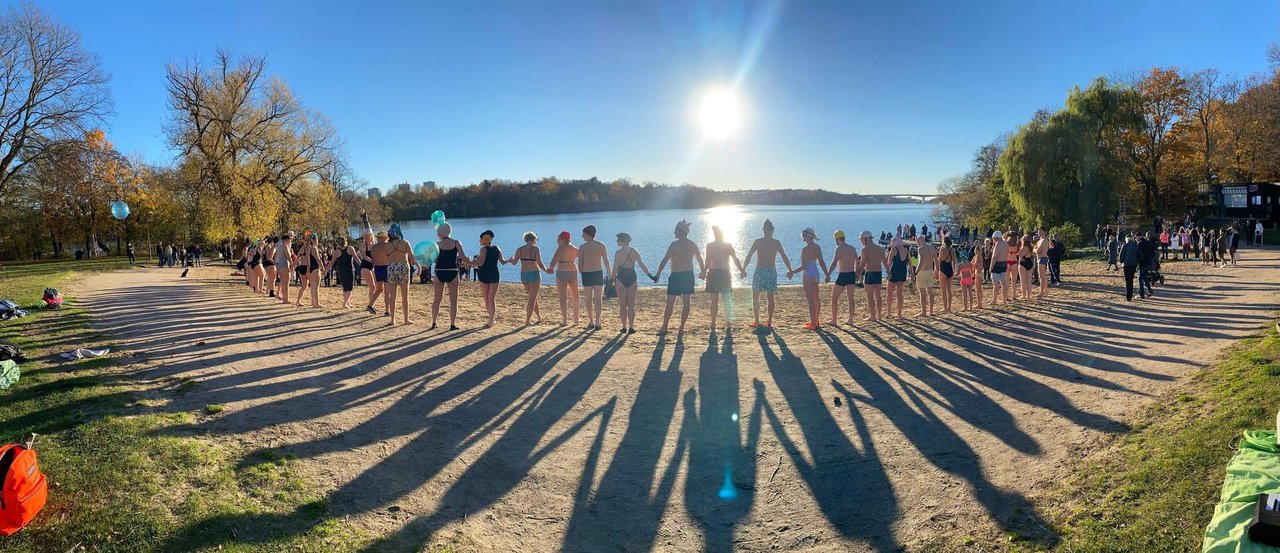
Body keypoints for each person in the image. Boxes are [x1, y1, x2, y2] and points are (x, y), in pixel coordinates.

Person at [652, 219, 704, 337]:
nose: (674, 232)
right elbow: (700, 259)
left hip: (678, 275)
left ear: (681, 231)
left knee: (671, 302)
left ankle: (666, 327)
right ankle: (680, 328)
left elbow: (665, 260)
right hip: (687, 275)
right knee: (685, 302)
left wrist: (658, 273)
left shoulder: (674, 245)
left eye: (676, 230)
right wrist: (702, 272)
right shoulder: (692, 244)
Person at [742, 219, 793, 331]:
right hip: (762, 270)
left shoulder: (773, 242)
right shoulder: (761, 242)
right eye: (766, 230)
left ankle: (768, 321)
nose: (767, 232)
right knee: (756, 296)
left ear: (771, 231)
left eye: (768, 230)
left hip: (768, 270)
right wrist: (743, 268)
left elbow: (784, 256)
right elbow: (749, 255)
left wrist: (790, 269)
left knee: (769, 297)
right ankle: (757, 320)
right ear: (765, 231)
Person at [703, 225, 745, 333]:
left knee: (716, 299)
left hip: (716, 272)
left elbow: (708, 261)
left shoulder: (711, 246)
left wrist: (704, 271)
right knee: (723, 299)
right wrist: (741, 270)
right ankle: (724, 322)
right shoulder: (726, 245)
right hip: (723, 272)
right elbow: (735, 259)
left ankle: (717, 322)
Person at [610, 232, 651, 334]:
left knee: (622, 305)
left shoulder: (618, 253)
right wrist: (650, 275)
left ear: (621, 240)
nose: (616, 241)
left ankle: (624, 327)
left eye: (618, 239)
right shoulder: (634, 251)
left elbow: (615, 268)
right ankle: (631, 327)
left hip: (621, 279)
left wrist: (611, 279)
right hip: (632, 278)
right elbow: (641, 264)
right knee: (631, 305)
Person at [431, 222, 467, 330]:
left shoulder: (436, 245)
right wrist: (475, 264)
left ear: (441, 233)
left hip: (439, 271)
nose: (437, 235)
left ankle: (434, 322)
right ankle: (452, 324)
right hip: (452, 271)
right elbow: (463, 258)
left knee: (437, 299)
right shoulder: (457, 243)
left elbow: (433, 260)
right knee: (453, 301)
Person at [788, 227, 825, 330]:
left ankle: (813, 323)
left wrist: (792, 272)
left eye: (804, 236)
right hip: (816, 273)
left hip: (808, 274)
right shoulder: (817, 247)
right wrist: (826, 274)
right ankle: (816, 320)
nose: (803, 238)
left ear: (809, 236)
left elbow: (803, 266)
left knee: (811, 301)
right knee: (816, 298)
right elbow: (821, 262)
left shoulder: (805, 249)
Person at [507, 232, 548, 326]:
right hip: (534, 273)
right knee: (532, 299)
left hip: (524, 274)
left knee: (532, 297)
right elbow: (540, 263)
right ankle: (527, 321)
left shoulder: (519, 249)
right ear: (534, 239)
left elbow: (514, 262)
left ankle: (538, 317)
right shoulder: (535, 249)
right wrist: (547, 270)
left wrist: (510, 259)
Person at [577, 225, 611, 330]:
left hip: (587, 274)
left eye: (583, 234)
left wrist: (581, 273)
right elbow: (606, 261)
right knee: (598, 299)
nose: (582, 236)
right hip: (598, 273)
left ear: (587, 234)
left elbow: (580, 265)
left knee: (589, 299)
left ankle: (591, 321)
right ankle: (597, 321)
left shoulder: (582, 247)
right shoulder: (601, 245)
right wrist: (610, 274)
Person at [383, 224, 417, 325]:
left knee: (392, 295)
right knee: (404, 295)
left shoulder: (387, 245)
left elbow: (386, 258)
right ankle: (406, 319)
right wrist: (418, 265)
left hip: (392, 267)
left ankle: (392, 319)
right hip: (403, 266)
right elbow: (412, 258)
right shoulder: (405, 242)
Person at [546, 231, 581, 326]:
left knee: (563, 296)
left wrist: (550, 268)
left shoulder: (560, 249)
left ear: (562, 239)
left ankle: (565, 320)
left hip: (562, 271)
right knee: (575, 295)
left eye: (558, 238)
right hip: (573, 270)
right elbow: (582, 257)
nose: (557, 240)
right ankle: (576, 318)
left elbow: (552, 262)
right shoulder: (575, 248)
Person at [825, 230, 859, 326]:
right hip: (851, 274)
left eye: (836, 239)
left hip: (843, 275)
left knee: (834, 297)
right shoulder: (852, 248)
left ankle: (834, 320)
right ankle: (851, 320)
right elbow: (857, 262)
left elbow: (834, 263)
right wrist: (857, 273)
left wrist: (828, 274)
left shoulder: (839, 249)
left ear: (838, 239)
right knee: (851, 299)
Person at [474, 229, 503, 328]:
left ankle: (491, 319)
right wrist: (510, 260)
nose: (479, 241)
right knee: (491, 299)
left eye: (480, 239)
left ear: (484, 239)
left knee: (487, 298)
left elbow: (480, 263)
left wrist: (468, 262)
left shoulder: (483, 249)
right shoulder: (496, 248)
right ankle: (491, 319)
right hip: (494, 273)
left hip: (484, 274)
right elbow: (502, 261)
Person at [857, 231, 886, 321]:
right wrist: (888, 272)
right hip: (878, 273)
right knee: (878, 295)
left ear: (866, 239)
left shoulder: (865, 250)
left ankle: (873, 316)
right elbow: (885, 262)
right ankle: (879, 315)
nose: (861, 241)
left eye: (861, 239)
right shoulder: (880, 248)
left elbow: (862, 264)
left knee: (870, 297)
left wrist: (857, 274)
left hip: (869, 273)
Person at [884, 236, 910, 319]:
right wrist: (912, 274)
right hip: (903, 272)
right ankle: (899, 314)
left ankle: (888, 313)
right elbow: (909, 263)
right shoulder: (906, 251)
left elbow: (889, 262)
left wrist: (888, 272)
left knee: (889, 294)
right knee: (899, 294)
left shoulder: (894, 250)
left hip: (894, 272)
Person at [329, 236, 357, 308]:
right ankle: (345, 303)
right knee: (350, 288)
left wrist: (325, 270)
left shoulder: (336, 252)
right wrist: (362, 265)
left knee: (345, 288)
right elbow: (356, 258)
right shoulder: (350, 248)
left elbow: (331, 263)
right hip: (349, 270)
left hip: (340, 271)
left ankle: (347, 302)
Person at [294, 235, 322, 308]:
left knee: (304, 286)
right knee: (313, 286)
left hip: (301, 267)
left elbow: (297, 258)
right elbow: (308, 258)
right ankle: (314, 302)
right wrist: (308, 269)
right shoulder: (310, 248)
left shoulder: (302, 248)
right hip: (307, 267)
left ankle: (298, 300)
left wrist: (293, 265)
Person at [913, 235, 937, 317]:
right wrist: (936, 271)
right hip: (930, 271)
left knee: (922, 293)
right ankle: (931, 311)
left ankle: (923, 311)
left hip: (922, 272)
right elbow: (936, 261)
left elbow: (921, 262)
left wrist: (915, 272)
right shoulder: (932, 248)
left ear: (919, 241)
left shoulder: (920, 249)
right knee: (930, 292)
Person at [367, 231, 390, 315]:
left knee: (379, 289)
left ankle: (370, 305)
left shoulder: (373, 247)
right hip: (386, 267)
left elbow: (373, 260)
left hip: (377, 268)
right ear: (384, 238)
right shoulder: (387, 245)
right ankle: (387, 310)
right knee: (387, 291)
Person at [1119, 234, 1143, 301]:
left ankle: (1128, 296)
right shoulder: (1136, 246)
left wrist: (1122, 262)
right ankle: (1130, 295)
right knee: (1131, 280)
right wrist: (1137, 261)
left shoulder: (1125, 245)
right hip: (1134, 265)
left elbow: (1121, 256)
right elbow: (1141, 255)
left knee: (1128, 281)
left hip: (1126, 265)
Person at [989, 231, 1009, 307]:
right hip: (1004, 264)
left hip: (997, 264)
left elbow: (994, 257)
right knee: (1003, 282)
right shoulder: (1006, 244)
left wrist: (991, 267)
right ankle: (1004, 300)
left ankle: (994, 300)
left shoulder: (998, 244)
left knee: (996, 283)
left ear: (996, 237)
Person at [937, 236, 956, 313]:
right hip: (950, 269)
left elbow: (939, 260)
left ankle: (945, 307)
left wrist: (936, 270)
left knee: (943, 290)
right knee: (949, 290)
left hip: (943, 269)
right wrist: (954, 271)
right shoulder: (952, 250)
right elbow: (954, 262)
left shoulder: (942, 249)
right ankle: (949, 307)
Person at [275, 232, 294, 303]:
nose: (290, 240)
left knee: (283, 283)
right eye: (289, 239)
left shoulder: (279, 245)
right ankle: (286, 299)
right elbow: (288, 256)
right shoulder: (284, 245)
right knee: (286, 283)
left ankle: (284, 299)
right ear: (286, 239)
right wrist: (292, 264)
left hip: (280, 264)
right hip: (284, 264)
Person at [1138, 232, 1156, 297]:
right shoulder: (1148, 242)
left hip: (1142, 262)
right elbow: (1152, 253)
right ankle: (1149, 290)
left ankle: (1141, 293)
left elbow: (1139, 254)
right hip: (1148, 262)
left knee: (1140, 278)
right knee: (1145, 276)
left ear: (1139, 236)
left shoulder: (1139, 243)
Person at [1034, 230, 1050, 298]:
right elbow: (1036, 248)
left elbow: (1038, 250)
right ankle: (1045, 290)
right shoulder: (1040, 240)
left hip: (1042, 258)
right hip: (1040, 258)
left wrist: (1034, 250)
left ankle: (1041, 292)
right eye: (1038, 232)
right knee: (1043, 275)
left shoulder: (1044, 240)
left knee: (1041, 276)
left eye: (1040, 232)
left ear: (1044, 232)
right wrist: (1035, 249)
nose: (1039, 233)